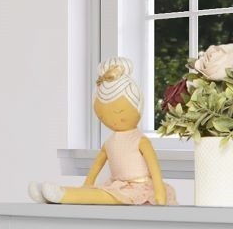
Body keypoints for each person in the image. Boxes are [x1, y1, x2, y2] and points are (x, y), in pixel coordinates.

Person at [30, 56, 175, 205]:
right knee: (99, 193)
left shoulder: (140, 141)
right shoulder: (110, 142)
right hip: (118, 185)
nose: (112, 120)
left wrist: (160, 193)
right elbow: (96, 167)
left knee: (103, 197)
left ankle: (63, 194)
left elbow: (154, 168)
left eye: (119, 112)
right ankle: (50, 194)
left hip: (139, 188)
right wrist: (87, 186)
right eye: (102, 117)